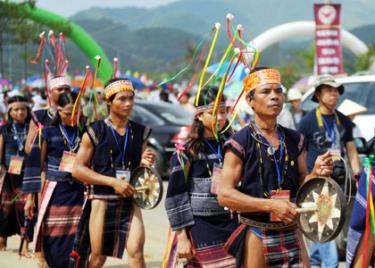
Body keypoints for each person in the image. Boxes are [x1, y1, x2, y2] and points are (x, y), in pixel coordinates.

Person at [218, 67, 333, 267]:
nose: (275, 97)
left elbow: (302, 184)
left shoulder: (295, 139)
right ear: (250, 101)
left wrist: (315, 173)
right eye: (266, 91)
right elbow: (224, 195)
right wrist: (270, 205)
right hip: (257, 231)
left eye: (278, 91)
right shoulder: (240, 143)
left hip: (291, 230)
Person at [71, 78, 155, 268]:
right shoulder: (95, 131)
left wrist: (145, 162)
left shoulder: (139, 132)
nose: (128, 104)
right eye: (122, 99)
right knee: (98, 257)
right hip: (102, 200)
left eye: (131, 99)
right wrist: (112, 182)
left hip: (129, 199)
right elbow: (77, 169)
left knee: (137, 253)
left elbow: (141, 168)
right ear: (109, 102)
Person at [165, 87, 238, 267]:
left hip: (231, 222)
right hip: (200, 225)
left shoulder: (233, 144)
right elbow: (175, 195)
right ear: (198, 115)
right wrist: (182, 237)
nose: (220, 118)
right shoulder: (187, 151)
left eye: (223, 112)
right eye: (213, 113)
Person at [298, 74, 361, 268]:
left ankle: (317, 261)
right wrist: (304, 179)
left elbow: (351, 150)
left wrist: (357, 176)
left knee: (328, 222)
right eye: (329, 90)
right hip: (317, 182)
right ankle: (330, 264)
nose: (334, 94)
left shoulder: (343, 120)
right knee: (324, 223)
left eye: (336, 91)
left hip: (340, 179)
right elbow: (301, 152)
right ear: (318, 94)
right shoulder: (307, 121)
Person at [24, 91, 85, 267]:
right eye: (67, 112)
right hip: (55, 192)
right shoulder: (46, 133)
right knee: (54, 237)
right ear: (58, 110)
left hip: (80, 193)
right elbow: (35, 165)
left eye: (76, 111)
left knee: (78, 237)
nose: (72, 116)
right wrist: (30, 198)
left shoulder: (86, 133)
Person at [0, 96, 31, 256]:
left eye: (23, 109)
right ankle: (2, 237)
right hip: (8, 176)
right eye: (16, 109)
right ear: (10, 112)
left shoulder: (32, 129)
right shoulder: (4, 130)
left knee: (25, 209)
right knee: (6, 208)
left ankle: (25, 244)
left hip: (26, 175)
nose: (20, 112)